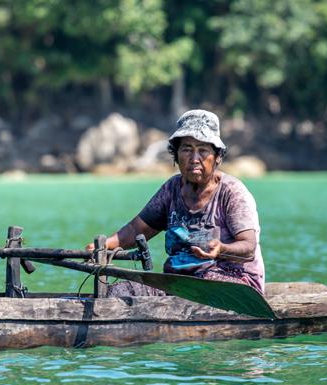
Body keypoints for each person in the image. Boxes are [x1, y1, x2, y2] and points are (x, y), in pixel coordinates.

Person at [87, 109, 265, 297]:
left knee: (206, 284)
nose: (194, 159)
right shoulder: (171, 190)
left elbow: (248, 248)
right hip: (178, 284)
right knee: (118, 292)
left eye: (203, 150)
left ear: (217, 156)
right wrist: (105, 245)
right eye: (187, 149)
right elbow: (136, 229)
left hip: (233, 283)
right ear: (176, 154)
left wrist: (221, 249)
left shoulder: (232, 192)